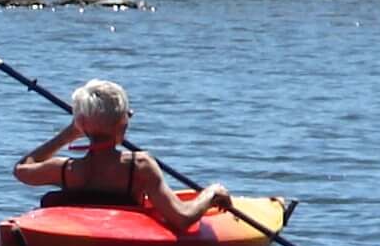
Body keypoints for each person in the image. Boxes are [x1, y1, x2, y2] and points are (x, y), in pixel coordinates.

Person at [12, 79, 229, 233]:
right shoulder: (140, 166)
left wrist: (69, 134)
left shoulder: (66, 170)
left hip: (88, 238)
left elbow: (22, 169)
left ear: (81, 123)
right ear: (122, 123)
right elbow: (182, 218)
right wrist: (211, 194)